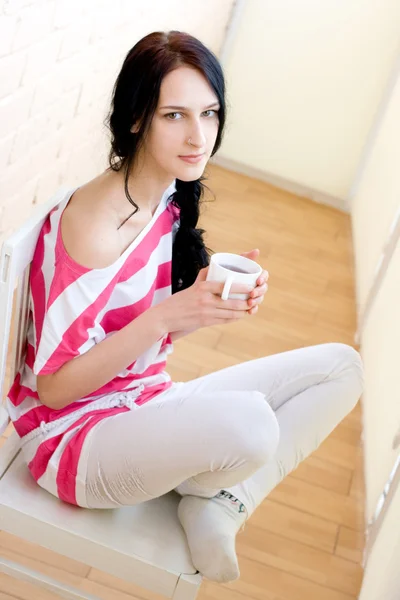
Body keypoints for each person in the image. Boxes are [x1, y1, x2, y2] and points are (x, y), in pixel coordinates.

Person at [6, 30, 364, 584]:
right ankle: (216, 492)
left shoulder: (162, 194)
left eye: (209, 113)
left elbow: (130, 336)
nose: (199, 136)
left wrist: (203, 303)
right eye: (174, 115)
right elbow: (52, 389)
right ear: (135, 120)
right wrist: (169, 315)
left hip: (142, 399)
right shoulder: (96, 226)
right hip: (75, 441)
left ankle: (220, 502)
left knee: (342, 368)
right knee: (252, 427)